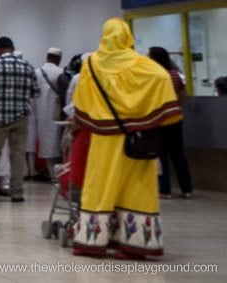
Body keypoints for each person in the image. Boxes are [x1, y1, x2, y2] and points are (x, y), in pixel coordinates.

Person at [71, 18, 182, 259]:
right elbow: (162, 78)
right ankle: (134, 244)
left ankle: (94, 240)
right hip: (136, 138)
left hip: (104, 139)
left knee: (100, 184)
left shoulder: (91, 64)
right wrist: (143, 112)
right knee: (136, 186)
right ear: (127, 37)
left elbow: (80, 101)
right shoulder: (142, 65)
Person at [0, 36, 39, 203]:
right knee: (17, 155)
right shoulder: (27, 66)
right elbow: (36, 92)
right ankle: (17, 193)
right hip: (20, 117)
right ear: (13, 48)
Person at [148, 46, 193, 199]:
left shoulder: (153, 76)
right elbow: (184, 94)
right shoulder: (175, 74)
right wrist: (175, 107)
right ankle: (187, 189)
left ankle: (165, 190)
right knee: (178, 155)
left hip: (159, 120)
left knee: (161, 156)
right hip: (175, 119)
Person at [33, 48, 66, 180]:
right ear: (58, 59)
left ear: (47, 57)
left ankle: (52, 175)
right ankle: (59, 175)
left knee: (46, 144)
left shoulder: (36, 73)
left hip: (40, 114)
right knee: (57, 142)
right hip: (56, 113)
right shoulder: (61, 73)